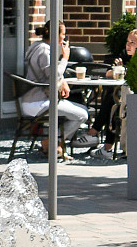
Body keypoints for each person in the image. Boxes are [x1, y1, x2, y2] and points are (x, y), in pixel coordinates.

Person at [19, 21, 91, 151]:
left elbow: (48, 72)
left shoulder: (36, 46)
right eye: (63, 33)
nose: (64, 37)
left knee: (81, 110)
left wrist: (63, 81)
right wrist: (65, 58)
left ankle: (52, 143)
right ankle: (52, 142)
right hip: (39, 102)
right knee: (83, 115)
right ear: (55, 34)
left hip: (30, 100)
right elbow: (53, 75)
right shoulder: (45, 50)